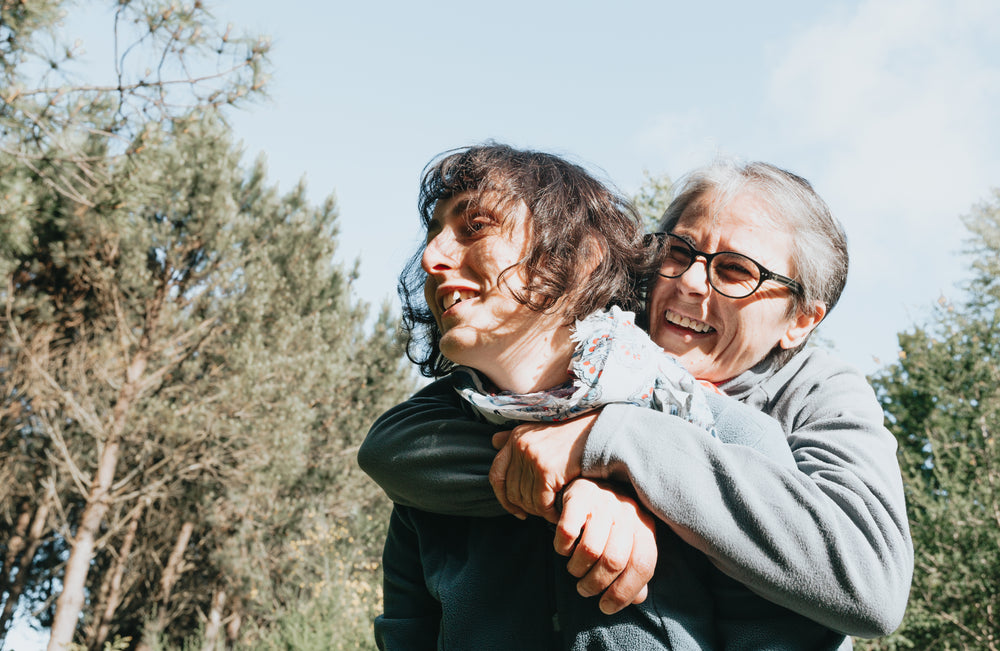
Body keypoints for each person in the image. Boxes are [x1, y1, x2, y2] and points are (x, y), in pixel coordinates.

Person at [360, 157, 913, 648]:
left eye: (736, 271)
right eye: (679, 252)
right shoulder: (551, 365)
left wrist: (605, 442)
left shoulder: (813, 396)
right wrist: (585, 483)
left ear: (800, 321)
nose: (692, 282)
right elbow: (393, 446)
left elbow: (867, 582)